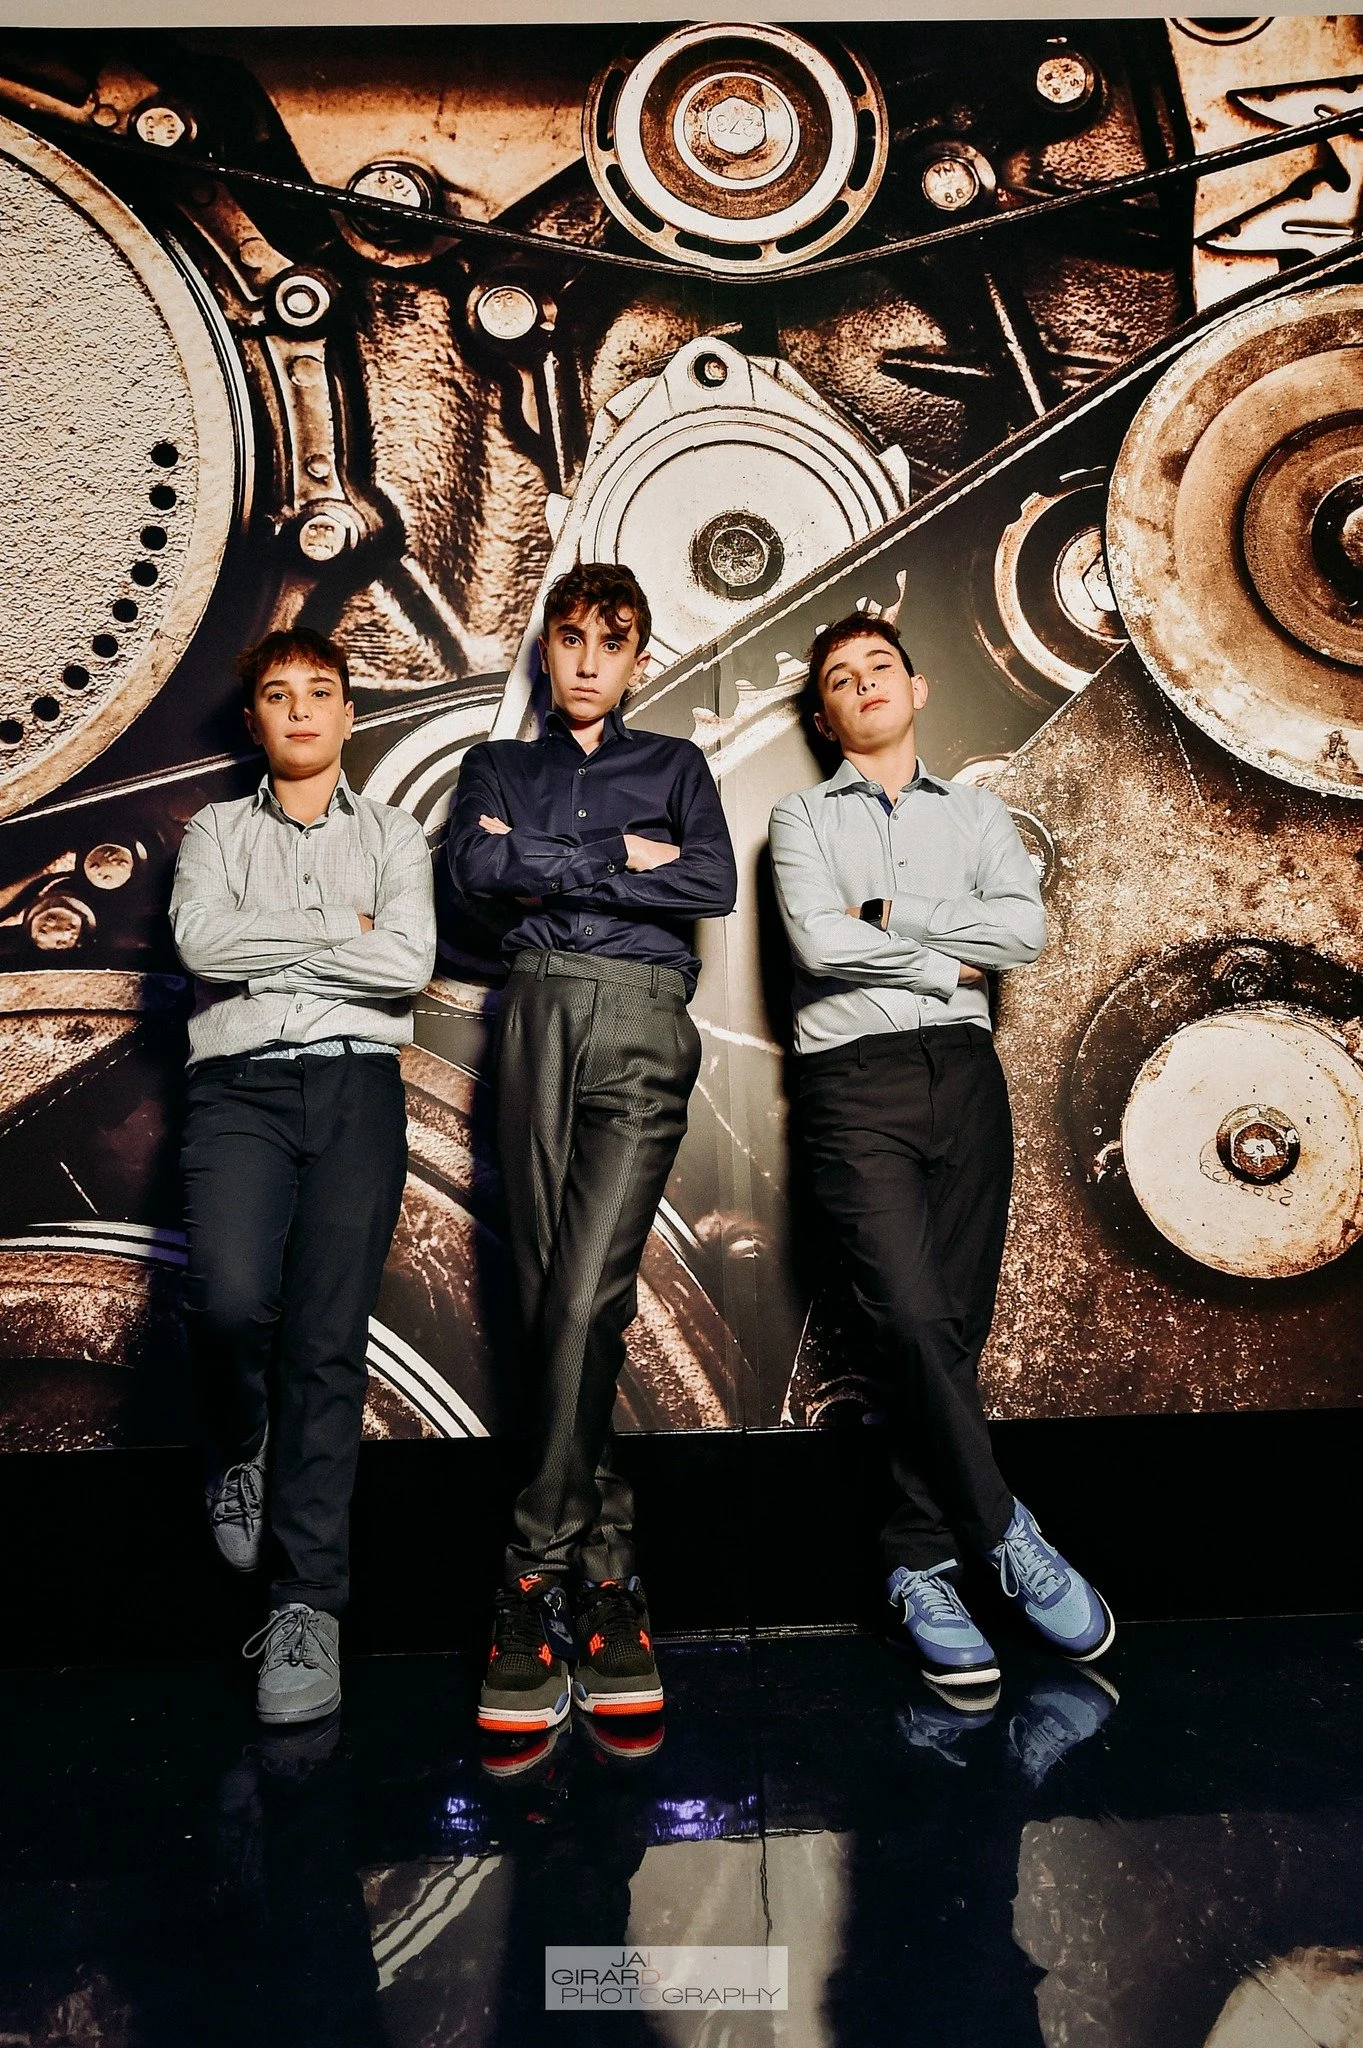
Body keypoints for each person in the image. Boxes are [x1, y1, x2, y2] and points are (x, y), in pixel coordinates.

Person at [768, 614, 1113, 1700]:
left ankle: (918, 1566)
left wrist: (888, 911)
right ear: (823, 716)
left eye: (880, 666)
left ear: (915, 689)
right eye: (840, 677)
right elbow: (816, 941)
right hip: (851, 1081)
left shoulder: (977, 812)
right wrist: (939, 956)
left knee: (953, 1329)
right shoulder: (797, 817)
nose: (863, 683)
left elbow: (1023, 935)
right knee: (909, 1320)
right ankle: (1004, 1531)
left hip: (966, 1077)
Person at [449, 562, 737, 1734]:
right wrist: (629, 859)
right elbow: (473, 871)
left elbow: (709, 880)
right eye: (568, 638)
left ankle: (528, 1572)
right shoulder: (496, 768)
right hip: (534, 1009)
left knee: (583, 1298)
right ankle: (611, 1579)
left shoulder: (674, 765)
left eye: (607, 643)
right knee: (543, 1300)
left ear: (636, 660)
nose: (583, 660)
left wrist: (550, 862)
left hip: (641, 1021)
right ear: (546, 649)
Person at [171, 627, 436, 1725]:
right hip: (237, 1090)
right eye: (277, 695)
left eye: (318, 692)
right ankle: (243, 1444)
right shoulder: (214, 831)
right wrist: (342, 930)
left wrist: (271, 941)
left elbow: (407, 960)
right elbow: (201, 945)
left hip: (357, 1087)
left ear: (346, 713)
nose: (298, 710)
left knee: (325, 1345)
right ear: (254, 721)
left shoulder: (396, 833)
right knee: (230, 1299)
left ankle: (305, 1607)